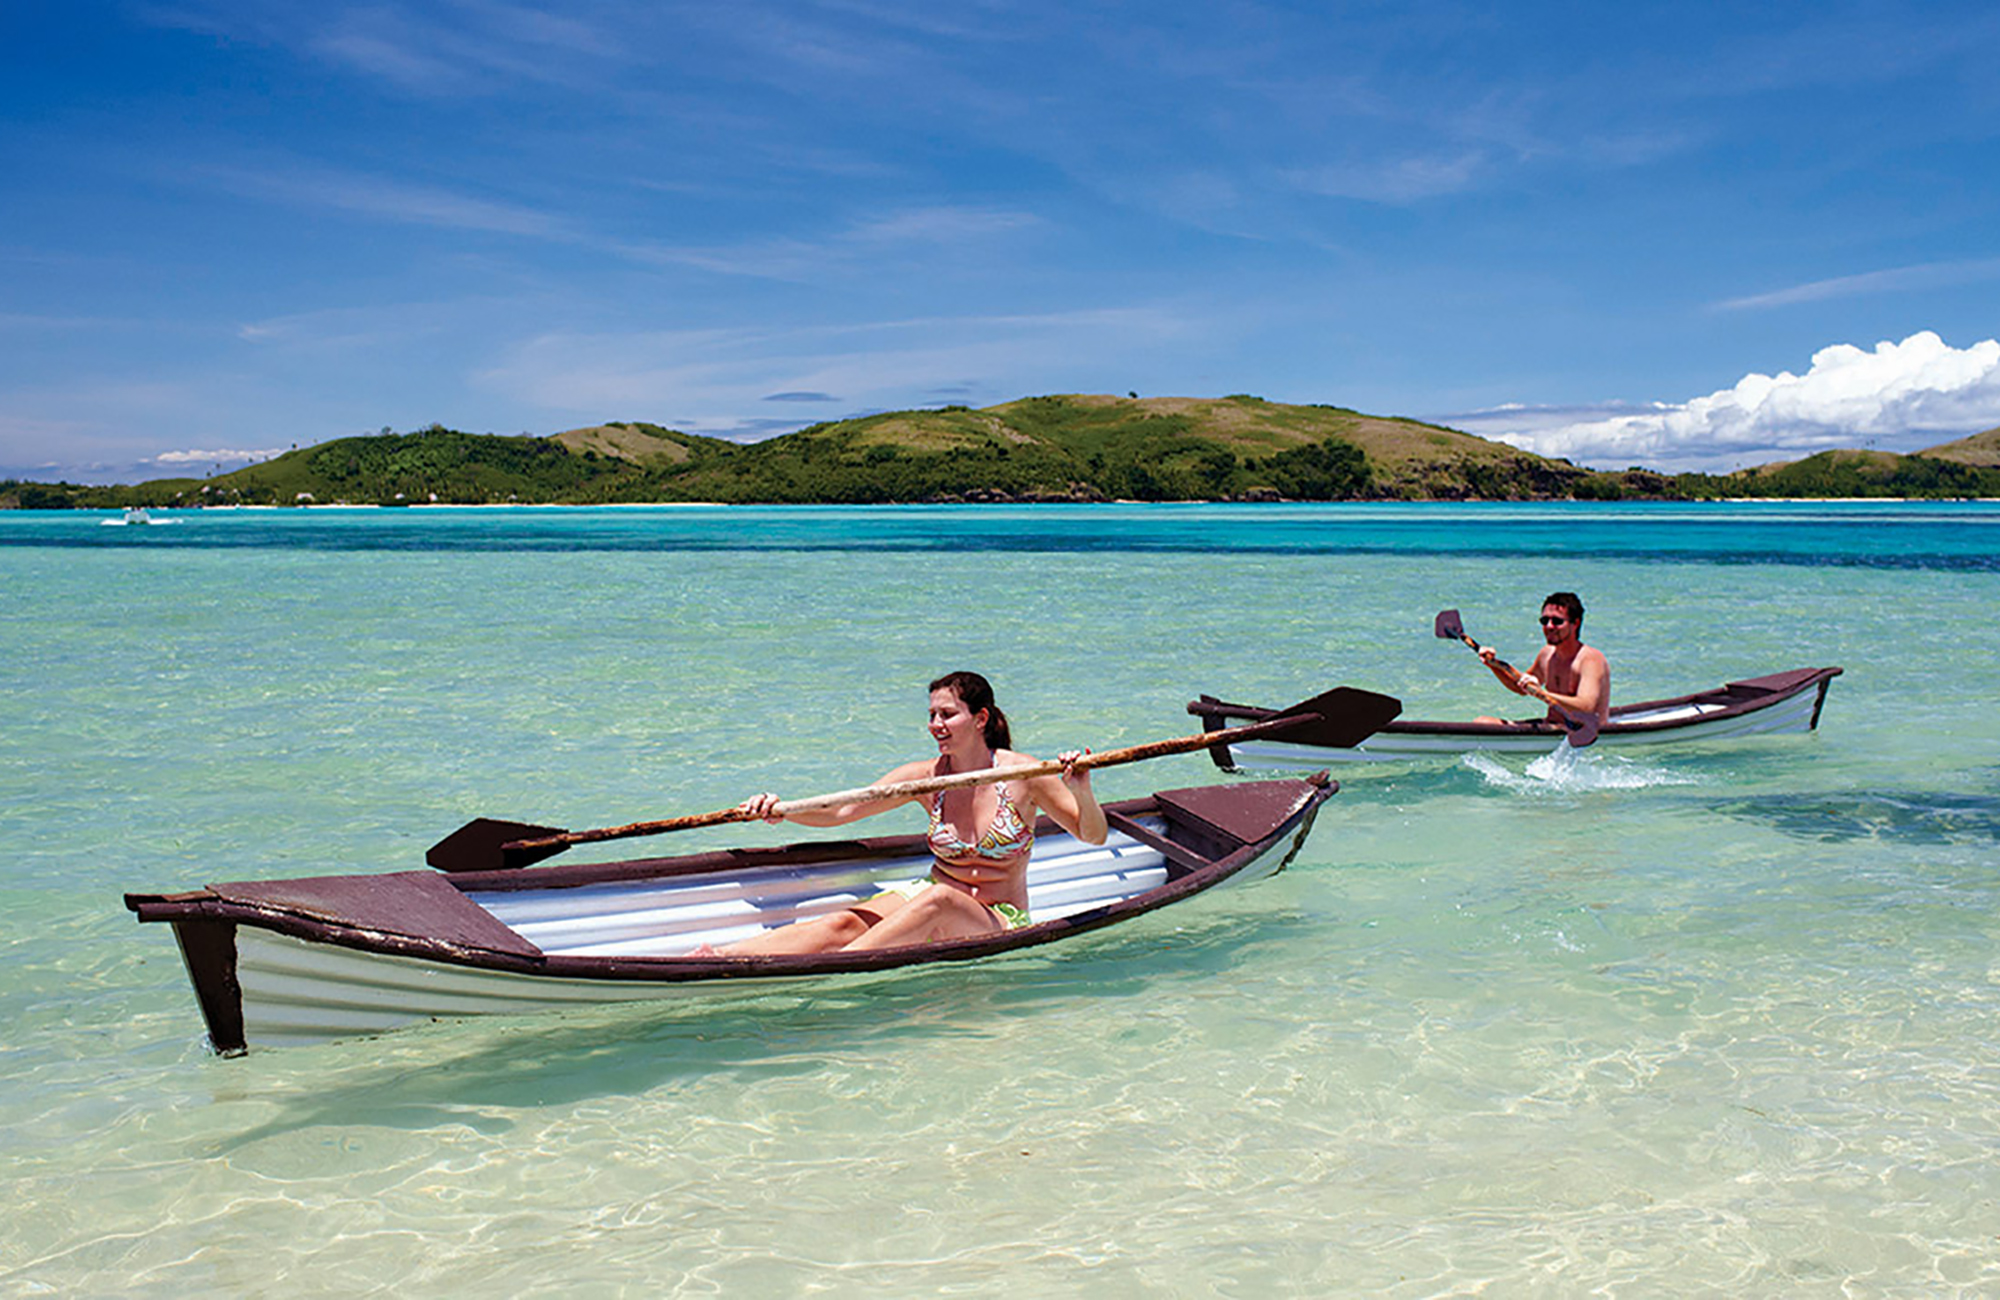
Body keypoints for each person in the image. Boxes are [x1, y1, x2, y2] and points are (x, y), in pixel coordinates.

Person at [700, 671, 1107, 955]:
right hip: (927, 896)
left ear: (980, 718)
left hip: (997, 917)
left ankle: (831, 970)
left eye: (947, 714)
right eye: (931, 715)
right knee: (840, 925)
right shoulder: (924, 778)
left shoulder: (1025, 774)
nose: (935, 724)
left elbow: (1093, 835)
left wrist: (1081, 789)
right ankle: (714, 958)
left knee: (942, 900)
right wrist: (781, 810)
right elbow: (844, 809)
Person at [1473, 592, 1610, 726]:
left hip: (1583, 732)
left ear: (1576, 623)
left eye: (1557, 621)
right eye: (1545, 621)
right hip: (1553, 726)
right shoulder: (1547, 654)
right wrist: (1493, 664)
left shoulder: (1591, 660)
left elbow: (1586, 707)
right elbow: (1520, 686)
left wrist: (1541, 693)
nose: (1549, 626)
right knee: (1482, 722)